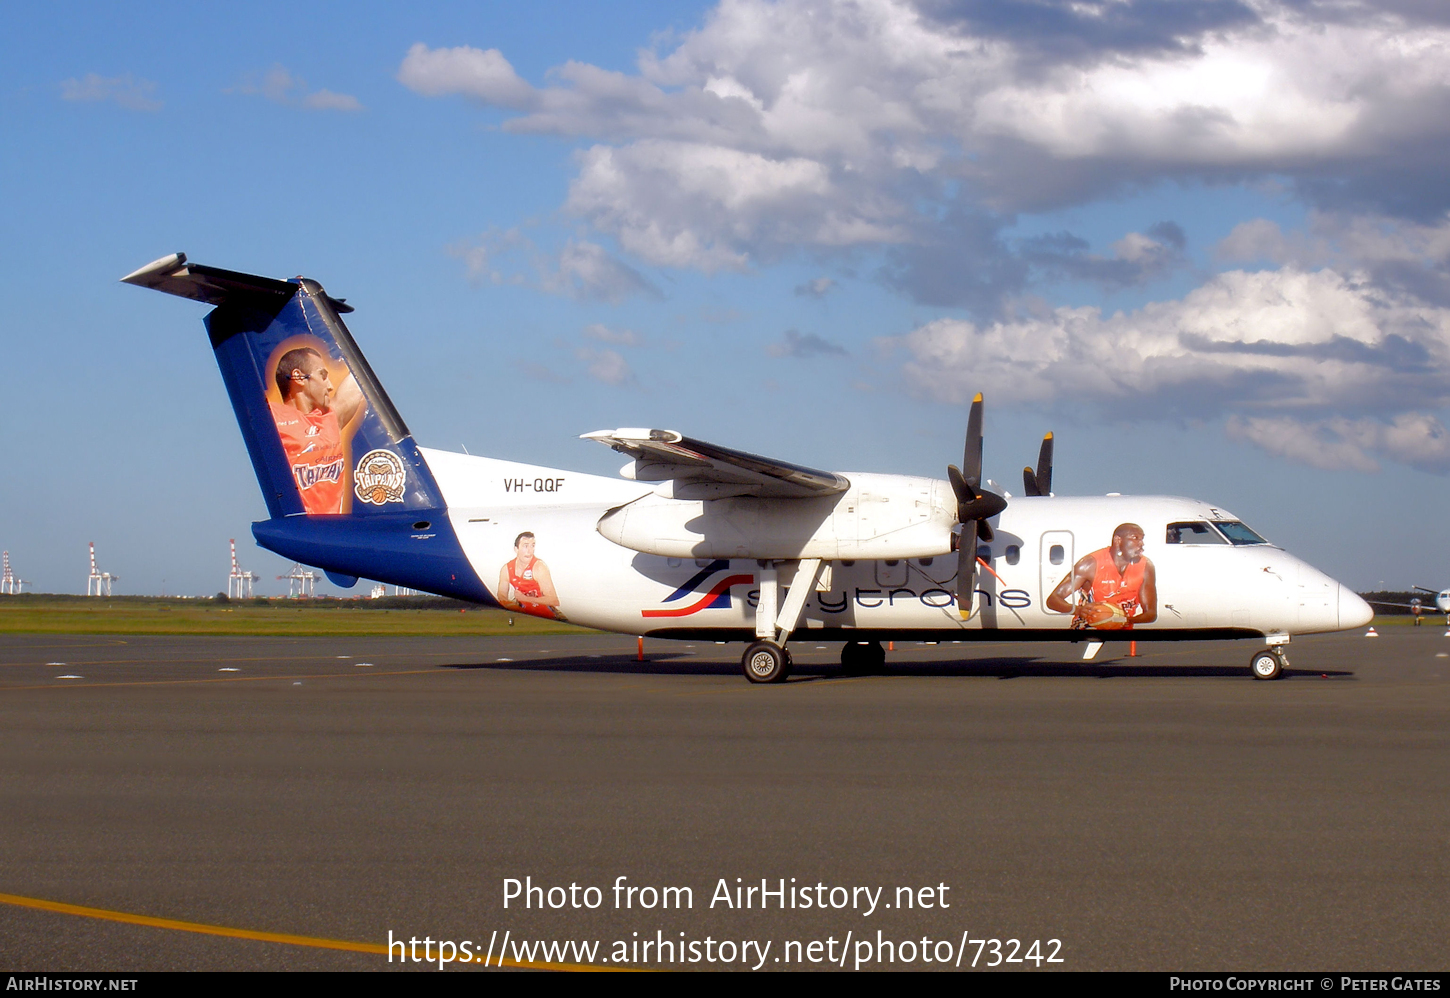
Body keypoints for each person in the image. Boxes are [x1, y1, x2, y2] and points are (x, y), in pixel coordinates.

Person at [268, 347, 364, 514]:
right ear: (298, 377)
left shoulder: (330, 420)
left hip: (333, 530)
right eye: (323, 376)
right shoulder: (272, 417)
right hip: (299, 527)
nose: (330, 386)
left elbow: (361, 379)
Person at [1046, 522, 1158, 630]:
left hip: (1122, 633)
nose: (1141, 543)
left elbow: (1151, 614)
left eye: (1142, 539)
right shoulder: (1090, 564)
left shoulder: (1145, 566)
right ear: (1118, 540)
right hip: (1089, 629)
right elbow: (1053, 600)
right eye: (1135, 538)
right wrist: (1079, 610)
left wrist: (1124, 620)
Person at [497, 532, 565, 621]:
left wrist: (526, 599)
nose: (530, 551)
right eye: (525, 546)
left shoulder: (539, 567)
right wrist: (510, 606)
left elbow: (553, 600)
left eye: (532, 546)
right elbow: (501, 595)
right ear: (516, 549)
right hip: (525, 610)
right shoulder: (507, 568)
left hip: (548, 613)